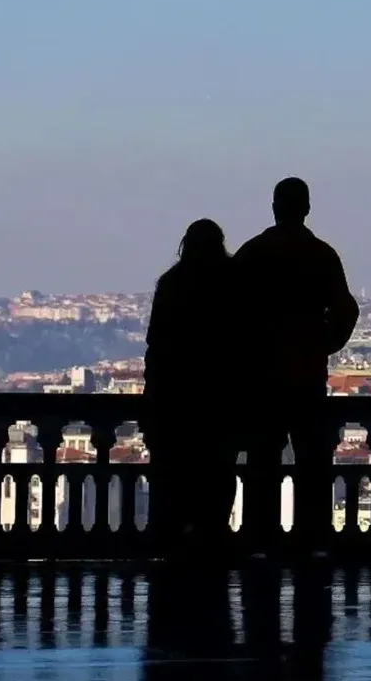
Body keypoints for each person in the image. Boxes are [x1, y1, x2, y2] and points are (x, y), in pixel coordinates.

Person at [232, 178, 359, 552]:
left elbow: (227, 311)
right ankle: (310, 537)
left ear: (274, 206)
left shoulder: (253, 253)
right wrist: (324, 344)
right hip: (305, 373)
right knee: (311, 461)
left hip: (262, 375)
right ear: (306, 208)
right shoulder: (321, 255)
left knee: (262, 461)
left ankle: (261, 536)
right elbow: (345, 309)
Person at [143, 218, 239, 552]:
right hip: (220, 399)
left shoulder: (171, 284)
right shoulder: (233, 282)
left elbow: (156, 344)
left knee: (176, 478)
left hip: (176, 399)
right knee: (218, 476)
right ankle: (213, 537)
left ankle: (177, 542)